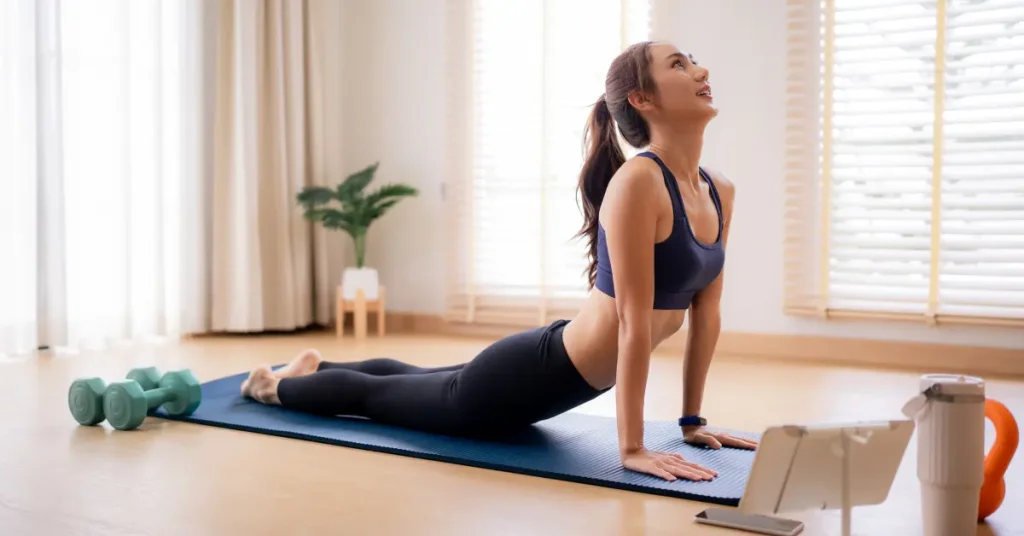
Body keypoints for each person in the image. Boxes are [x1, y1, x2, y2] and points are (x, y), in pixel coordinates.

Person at [240, 40, 758, 483]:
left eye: (692, 61)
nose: (701, 70)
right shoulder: (639, 183)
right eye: (679, 65)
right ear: (641, 99)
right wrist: (632, 450)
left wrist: (692, 421)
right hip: (528, 379)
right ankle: (271, 386)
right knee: (381, 399)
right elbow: (631, 323)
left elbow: (705, 314)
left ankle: (316, 365)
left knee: (416, 379)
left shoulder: (719, 190)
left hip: (551, 363)